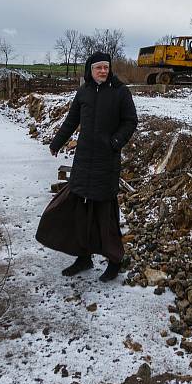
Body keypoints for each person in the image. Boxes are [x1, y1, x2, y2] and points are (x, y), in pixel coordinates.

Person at [35, 51, 137, 282]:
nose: (103, 71)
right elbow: (72, 121)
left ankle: (115, 260)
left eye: (106, 67)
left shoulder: (120, 92)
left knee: (105, 215)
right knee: (80, 212)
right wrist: (56, 143)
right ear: (90, 70)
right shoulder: (84, 92)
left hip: (106, 163)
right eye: (98, 67)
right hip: (83, 162)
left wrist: (115, 142)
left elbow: (130, 121)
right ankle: (84, 258)